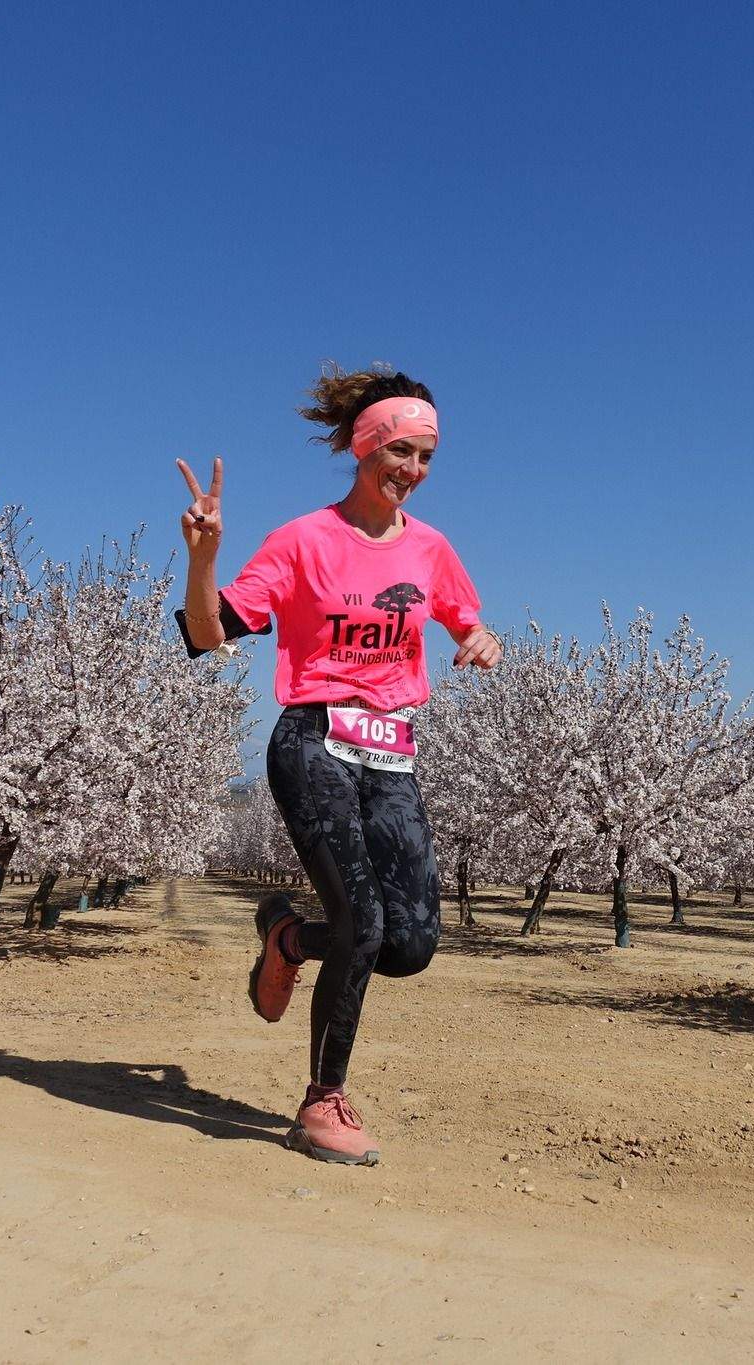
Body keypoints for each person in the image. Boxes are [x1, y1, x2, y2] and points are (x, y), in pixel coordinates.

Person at [176, 364, 501, 1166]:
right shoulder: (302, 541)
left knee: (411, 941)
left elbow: (466, 619)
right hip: (313, 741)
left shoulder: (431, 550)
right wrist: (205, 556)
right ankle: (323, 1101)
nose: (414, 471)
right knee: (360, 922)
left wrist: (479, 640)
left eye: (426, 456)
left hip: (390, 750)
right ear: (365, 448)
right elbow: (208, 634)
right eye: (401, 451)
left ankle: (286, 938)